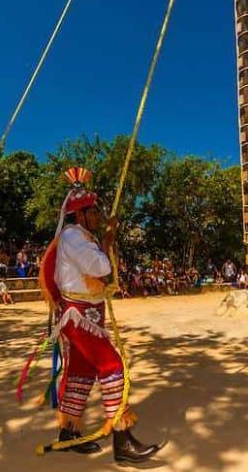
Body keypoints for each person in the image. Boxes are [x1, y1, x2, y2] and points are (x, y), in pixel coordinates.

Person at [37, 167, 161, 464]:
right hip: (79, 316)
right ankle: (122, 440)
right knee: (112, 366)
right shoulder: (73, 237)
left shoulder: (80, 236)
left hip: (86, 313)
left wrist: (105, 239)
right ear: (79, 216)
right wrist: (107, 240)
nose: (98, 217)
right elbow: (101, 268)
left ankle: (68, 434)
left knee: (82, 371)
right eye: (93, 213)